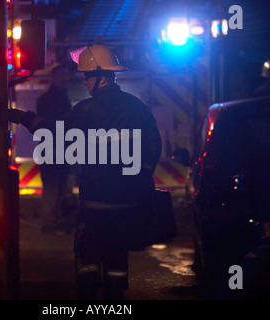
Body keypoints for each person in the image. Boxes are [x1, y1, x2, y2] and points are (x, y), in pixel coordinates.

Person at [9, 45, 162, 300]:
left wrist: (24, 117)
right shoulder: (137, 108)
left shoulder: (86, 110)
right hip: (125, 204)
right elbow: (153, 145)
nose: (84, 80)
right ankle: (115, 300)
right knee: (116, 257)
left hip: (94, 204)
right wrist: (141, 176)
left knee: (87, 257)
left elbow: (53, 131)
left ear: (102, 77)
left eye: (87, 75)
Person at [36, 63, 72, 234]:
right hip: (51, 150)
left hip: (59, 149)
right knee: (52, 187)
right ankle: (50, 223)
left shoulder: (60, 97)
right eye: (61, 76)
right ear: (52, 77)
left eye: (66, 75)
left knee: (60, 187)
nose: (65, 79)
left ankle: (55, 221)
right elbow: (48, 123)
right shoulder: (48, 99)